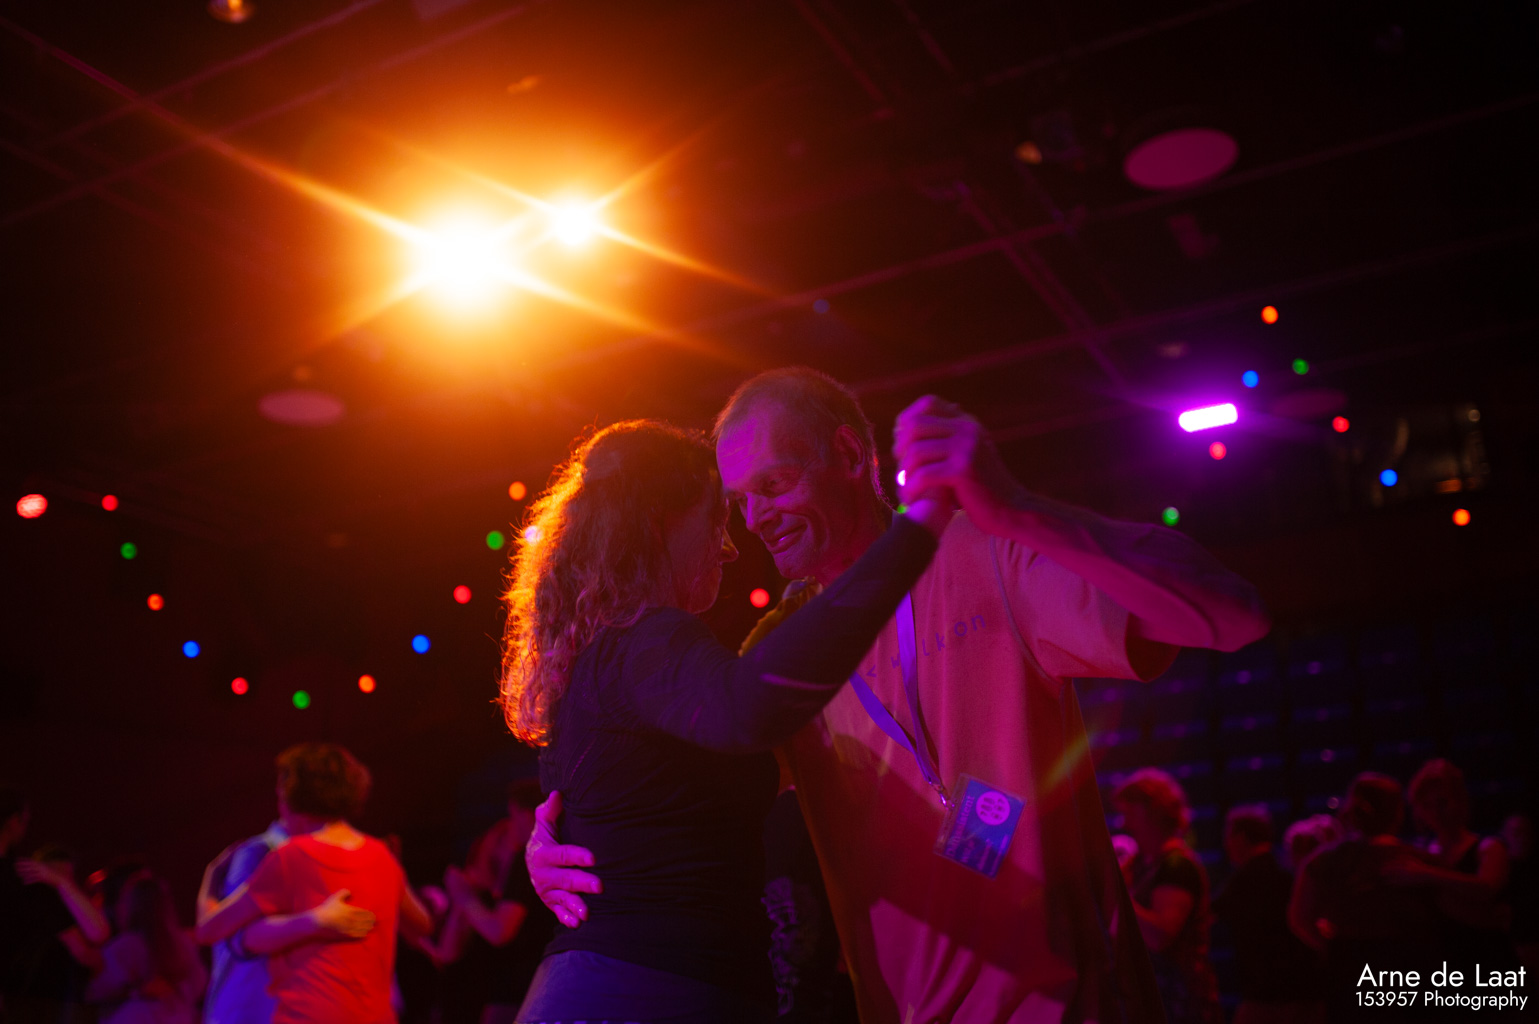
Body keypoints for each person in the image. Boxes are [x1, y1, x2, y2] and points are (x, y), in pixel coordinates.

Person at [529, 369, 1271, 1023]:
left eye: (774, 485)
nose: (755, 521)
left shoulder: (984, 552)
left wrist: (1016, 508)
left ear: (851, 455)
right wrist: (559, 838)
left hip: (1072, 1003)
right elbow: (668, 799)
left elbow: (1235, 614)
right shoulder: (781, 647)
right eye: (739, 503)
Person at [502, 418, 947, 1023]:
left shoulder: (615, 658)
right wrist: (913, 537)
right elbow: (749, 705)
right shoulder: (649, 640)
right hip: (641, 994)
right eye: (716, 520)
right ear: (657, 522)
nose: (731, 547)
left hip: (633, 989)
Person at [195, 743, 433, 1024]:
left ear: (291, 797)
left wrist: (211, 879)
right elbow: (422, 924)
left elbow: (211, 929)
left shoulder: (291, 858)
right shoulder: (381, 856)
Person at [1289, 773, 1441, 1022]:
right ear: (1398, 812)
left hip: (1347, 972)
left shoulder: (1321, 861)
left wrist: (1334, 948)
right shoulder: (1420, 861)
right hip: (1408, 972)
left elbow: (1299, 918)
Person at [426, 779, 555, 1024]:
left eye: (511, 820)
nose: (509, 836)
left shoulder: (528, 863)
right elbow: (447, 953)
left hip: (516, 996)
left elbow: (500, 932)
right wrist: (463, 901)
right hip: (491, 999)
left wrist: (463, 896)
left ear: (523, 813)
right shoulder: (484, 898)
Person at [1111, 769, 1220, 1024]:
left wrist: (1118, 893)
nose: (1123, 823)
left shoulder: (1176, 866)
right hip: (1156, 998)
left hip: (1178, 1002)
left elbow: (1160, 937)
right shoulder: (1144, 864)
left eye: (1129, 812)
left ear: (1152, 811)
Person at [0, 787, 112, 1024]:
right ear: (13, 821)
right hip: (30, 1008)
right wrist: (62, 883)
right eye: (25, 820)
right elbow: (97, 932)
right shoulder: (24, 879)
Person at [1401, 758, 1518, 969]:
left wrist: (1426, 875)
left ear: (1461, 800)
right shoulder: (1422, 853)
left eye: (1442, 802)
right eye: (1427, 805)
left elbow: (1487, 888)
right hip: (1441, 964)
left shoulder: (1489, 847)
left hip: (1489, 961)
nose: (1436, 812)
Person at [1212, 805, 1323, 1024]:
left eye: (1229, 837)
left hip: (1264, 996)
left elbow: (1208, 915)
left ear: (1241, 837)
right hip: (1306, 990)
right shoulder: (1289, 870)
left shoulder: (1242, 881)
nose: (1226, 845)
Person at [197, 816, 289, 1024]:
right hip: (246, 1003)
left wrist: (211, 874)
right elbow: (212, 926)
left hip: (250, 1002)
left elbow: (210, 923)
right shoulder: (257, 851)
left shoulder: (261, 851)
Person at [85, 872, 206, 1024]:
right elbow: (199, 984)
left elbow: (98, 991)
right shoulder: (184, 943)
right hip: (177, 1016)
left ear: (130, 905)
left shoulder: (123, 946)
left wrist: (135, 992)